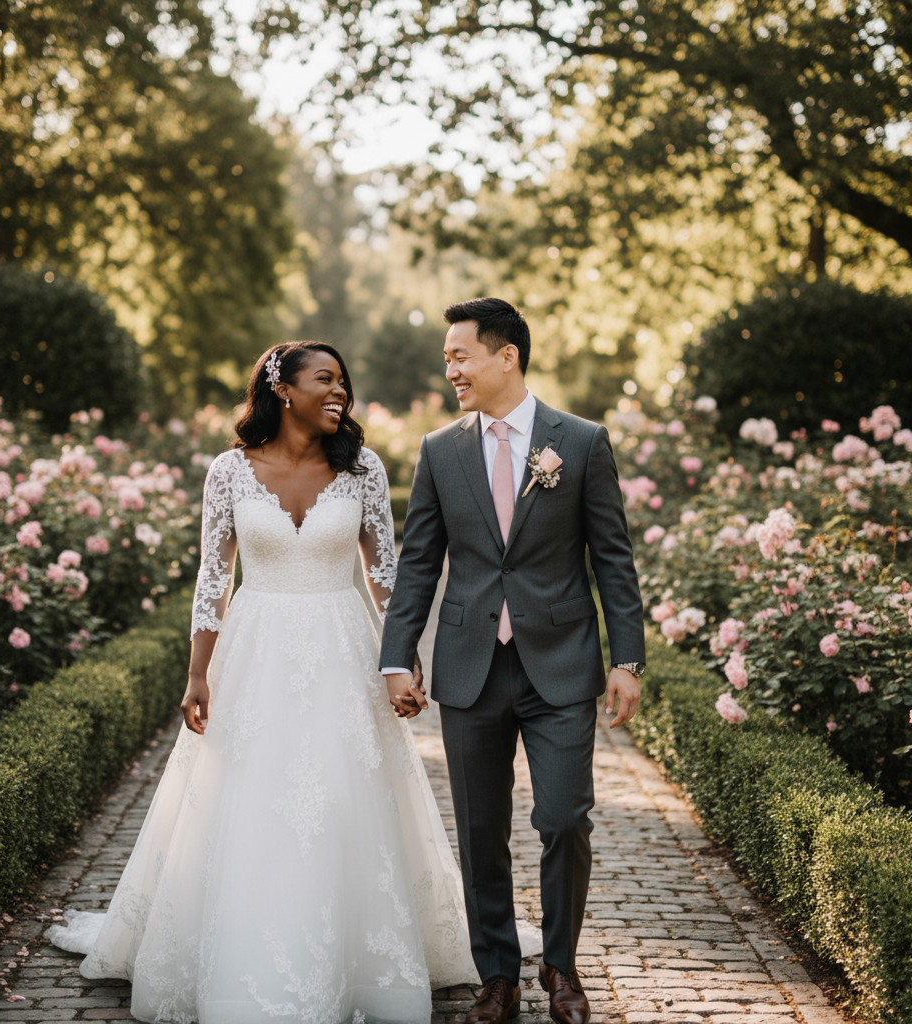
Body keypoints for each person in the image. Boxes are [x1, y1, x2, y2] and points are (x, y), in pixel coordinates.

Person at [47, 341, 483, 1024]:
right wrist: (197, 674)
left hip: (344, 652)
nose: (340, 393)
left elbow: (386, 576)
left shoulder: (362, 468)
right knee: (251, 801)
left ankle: (358, 961)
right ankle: (245, 955)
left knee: (344, 799)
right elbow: (213, 580)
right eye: (325, 381)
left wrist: (400, 661)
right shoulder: (229, 471)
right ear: (281, 389)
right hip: (255, 655)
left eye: (344, 382)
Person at [380, 299, 646, 1024]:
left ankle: (561, 968)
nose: (451, 369)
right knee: (479, 830)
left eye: (460, 355)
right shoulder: (440, 449)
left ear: (508, 356)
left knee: (564, 818)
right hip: (469, 664)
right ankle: (496, 975)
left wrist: (629, 659)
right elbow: (419, 566)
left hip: (559, 664)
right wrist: (396, 657)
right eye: (447, 358)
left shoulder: (581, 442)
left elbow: (613, 561)